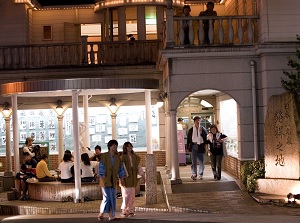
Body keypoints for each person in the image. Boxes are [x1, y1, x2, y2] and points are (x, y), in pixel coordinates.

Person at [97, 139, 126, 221]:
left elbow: (120, 169)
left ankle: (111, 215)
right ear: (109, 147)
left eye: (116, 146)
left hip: (113, 180)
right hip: (105, 180)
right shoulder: (104, 156)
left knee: (112, 198)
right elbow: (101, 166)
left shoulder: (117, 158)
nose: (114, 148)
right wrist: (102, 176)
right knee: (107, 197)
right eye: (113, 146)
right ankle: (102, 213)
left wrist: (122, 178)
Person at [119, 142, 145, 217]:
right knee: (126, 195)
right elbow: (121, 169)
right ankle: (125, 209)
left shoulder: (135, 157)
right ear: (125, 148)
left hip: (133, 178)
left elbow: (138, 167)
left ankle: (130, 210)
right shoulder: (122, 157)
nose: (130, 148)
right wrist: (122, 178)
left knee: (132, 195)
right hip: (125, 178)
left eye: (130, 146)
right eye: (128, 146)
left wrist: (143, 176)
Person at [187, 116, 207, 180]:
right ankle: (194, 174)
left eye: (199, 121)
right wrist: (188, 147)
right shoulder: (191, 130)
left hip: (200, 146)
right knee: (194, 161)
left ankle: (200, 174)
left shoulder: (203, 129)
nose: (198, 122)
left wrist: (201, 133)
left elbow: (205, 138)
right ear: (194, 121)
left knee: (201, 161)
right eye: (197, 121)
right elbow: (188, 139)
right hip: (194, 146)